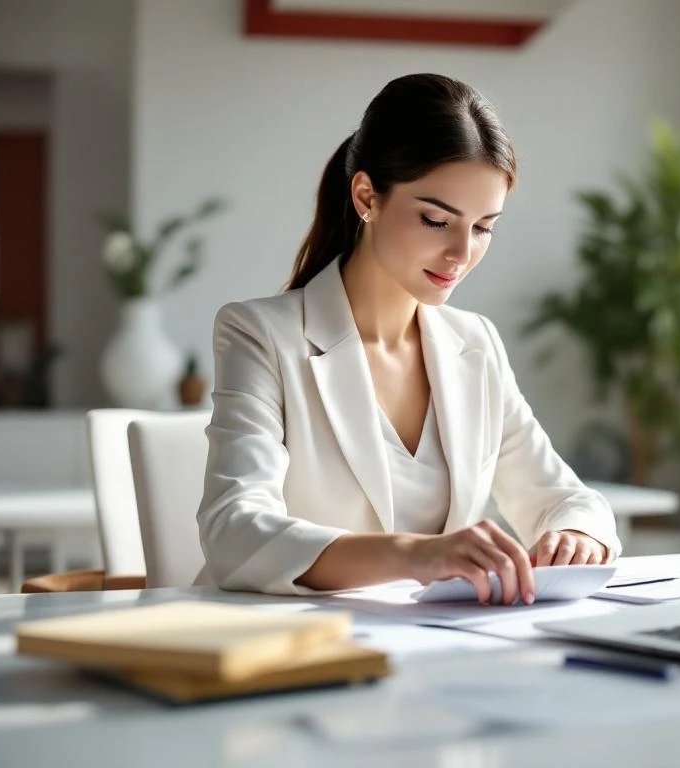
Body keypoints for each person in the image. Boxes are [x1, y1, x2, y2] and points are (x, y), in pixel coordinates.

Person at [195, 73, 621, 606]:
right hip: (290, 642)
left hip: (434, 642)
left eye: (483, 227)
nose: (462, 253)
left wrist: (576, 534)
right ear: (366, 196)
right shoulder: (261, 334)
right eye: (436, 220)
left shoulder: (475, 343)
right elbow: (234, 531)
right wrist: (416, 556)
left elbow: (564, 497)